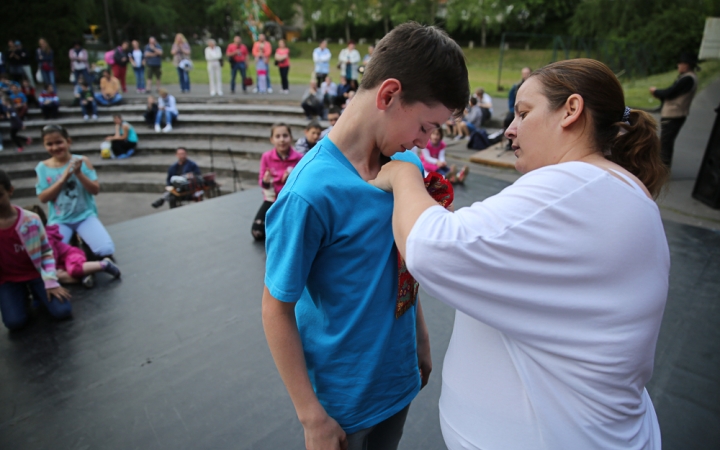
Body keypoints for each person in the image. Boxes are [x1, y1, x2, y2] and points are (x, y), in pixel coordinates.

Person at [370, 58, 669, 450]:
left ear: (571, 111)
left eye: (524, 113)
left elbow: (431, 248)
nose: (510, 129)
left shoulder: (573, 184)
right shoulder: (622, 190)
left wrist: (403, 174)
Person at [261, 22, 468, 450]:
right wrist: (311, 418)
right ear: (389, 95)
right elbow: (275, 309)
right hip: (344, 404)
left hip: (397, 380)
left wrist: (420, 337)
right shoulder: (310, 193)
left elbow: (398, 261)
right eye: (426, 126)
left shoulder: (401, 166)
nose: (425, 142)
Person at [0, 171, 72, 330]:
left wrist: (51, 281)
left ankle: (38, 290)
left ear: (10, 191)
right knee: (14, 322)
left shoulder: (31, 220)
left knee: (63, 311)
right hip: (8, 280)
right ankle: (22, 295)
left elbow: (46, 252)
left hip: (37, 274)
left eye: (0, 195)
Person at [36, 125, 115, 258]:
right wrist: (63, 179)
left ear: (68, 141)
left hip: (84, 216)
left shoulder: (82, 161)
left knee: (105, 250)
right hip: (59, 219)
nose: (55, 147)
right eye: (49, 144)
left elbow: (95, 190)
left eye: (59, 142)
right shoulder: (42, 168)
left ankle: (83, 241)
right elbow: (43, 198)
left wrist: (79, 174)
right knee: (50, 257)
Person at [28, 205, 121, 288]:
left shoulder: (46, 238)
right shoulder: (35, 238)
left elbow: (52, 257)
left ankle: (104, 265)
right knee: (58, 275)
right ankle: (84, 277)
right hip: (63, 262)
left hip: (71, 255)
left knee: (72, 270)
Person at [251, 123, 302, 240]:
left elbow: (301, 184)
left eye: (285, 135)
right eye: (277, 136)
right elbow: (262, 182)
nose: (282, 140)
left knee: (293, 233)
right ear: (272, 139)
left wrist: (291, 179)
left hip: (290, 200)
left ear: (291, 137)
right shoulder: (266, 157)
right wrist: (266, 181)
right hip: (272, 199)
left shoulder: (299, 158)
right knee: (257, 232)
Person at [650, 53, 699, 168]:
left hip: (675, 114)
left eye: (681, 63)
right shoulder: (687, 77)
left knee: (666, 142)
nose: (678, 66)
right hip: (674, 114)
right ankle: (663, 166)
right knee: (666, 141)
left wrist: (656, 92)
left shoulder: (688, 79)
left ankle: (663, 168)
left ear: (686, 65)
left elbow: (671, 92)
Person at [504, 67, 532, 149]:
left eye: (527, 73)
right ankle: (510, 143)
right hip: (517, 110)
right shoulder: (516, 87)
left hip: (530, 110)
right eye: (524, 73)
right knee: (508, 120)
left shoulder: (536, 87)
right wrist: (515, 111)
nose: (525, 75)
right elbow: (511, 101)